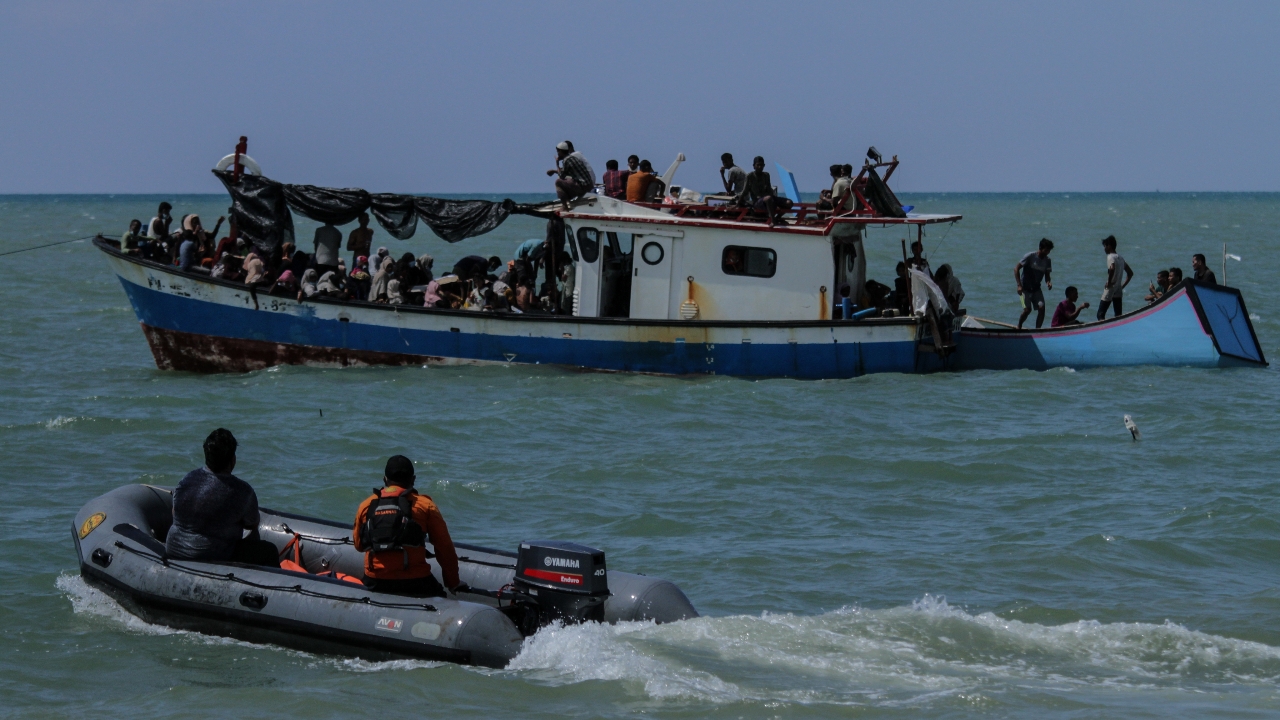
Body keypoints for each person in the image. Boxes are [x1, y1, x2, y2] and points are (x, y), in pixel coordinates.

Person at [164, 429, 279, 567]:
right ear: (233, 460)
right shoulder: (242, 491)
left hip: (174, 550)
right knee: (269, 551)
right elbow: (252, 524)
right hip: (212, 555)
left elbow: (174, 512)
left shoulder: (186, 480)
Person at [352, 455, 461, 598]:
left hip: (376, 581)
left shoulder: (366, 506)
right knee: (441, 599)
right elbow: (444, 547)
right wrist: (452, 582)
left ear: (385, 479)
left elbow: (359, 545)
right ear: (413, 479)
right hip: (415, 581)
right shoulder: (425, 505)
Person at [1015, 238, 1054, 329]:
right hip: (1024, 289)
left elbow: (1047, 275)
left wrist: (1048, 282)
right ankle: (1019, 326)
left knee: (1041, 308)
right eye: (1046, 250)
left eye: (1049, 251)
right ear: (1040, 248)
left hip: (1036, 289)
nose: (1047, 252)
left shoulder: (1047, 261)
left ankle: (1037, 330)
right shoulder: (1030, 256)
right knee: (1027, 310)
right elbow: (1016, 269)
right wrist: (1019, 285)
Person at [737, 156, 785, 226]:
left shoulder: (766, 175)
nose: (760, 167)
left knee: (789, 203)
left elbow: (769, 189)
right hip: (757, 202)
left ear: (764, 166)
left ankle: (777, 217)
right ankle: (773, 221)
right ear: (754, 166)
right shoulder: (750, 176)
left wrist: (774, 201)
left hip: (768, 199)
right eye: (758, 165)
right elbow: (745, 191)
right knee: (768, 198)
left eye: (761, 165)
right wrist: (738, 204)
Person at [547, 140, 594, 210]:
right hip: (588, 185)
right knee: (568, 181)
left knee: (558, 182)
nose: (558, 153)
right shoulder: (572, 158)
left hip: (583, 187)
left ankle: (565, 207)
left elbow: (561, 176)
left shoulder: (567, 160)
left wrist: (557, 163)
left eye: (558, 151)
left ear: (561, 151)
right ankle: (569, 202)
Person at [1096, 235, 1134, 320]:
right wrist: (1122, 285)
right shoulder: (1120, 258)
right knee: (1118, 315)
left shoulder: (1110, 257)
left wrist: (1109, 282)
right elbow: (1130, 273)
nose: (1104, 249)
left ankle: (1103, 327)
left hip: (1111, 288)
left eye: (1105, 246)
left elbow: (1112, 268)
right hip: (1118, 289)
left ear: (1109, 246)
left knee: (1100, 314)